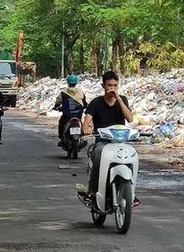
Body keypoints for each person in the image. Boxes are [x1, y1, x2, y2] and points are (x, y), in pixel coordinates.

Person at [82, 71, 140, 206]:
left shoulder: (123, 100)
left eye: (115, 85)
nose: (112, 88)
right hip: (103, 142)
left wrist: (119, 99)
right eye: (109, 85)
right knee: (98, 156)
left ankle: (131, 193)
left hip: (120, 141)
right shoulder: (96, 103)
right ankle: (92, 192)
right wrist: (86, 129)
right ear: (103, 86)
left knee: (132, 157)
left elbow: (130, 118)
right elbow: (87, 121)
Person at [53, 75, 87, 147]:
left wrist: (56, 106)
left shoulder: (64, 92)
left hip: (67, 114)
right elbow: (84, 102)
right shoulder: (80, 92)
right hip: (78, 114)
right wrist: (85, 107)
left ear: (68, 82)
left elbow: (58, 101)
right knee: (80, 122)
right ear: (76, 82)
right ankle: (82, 136)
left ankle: (61, 138)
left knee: (62, 123)